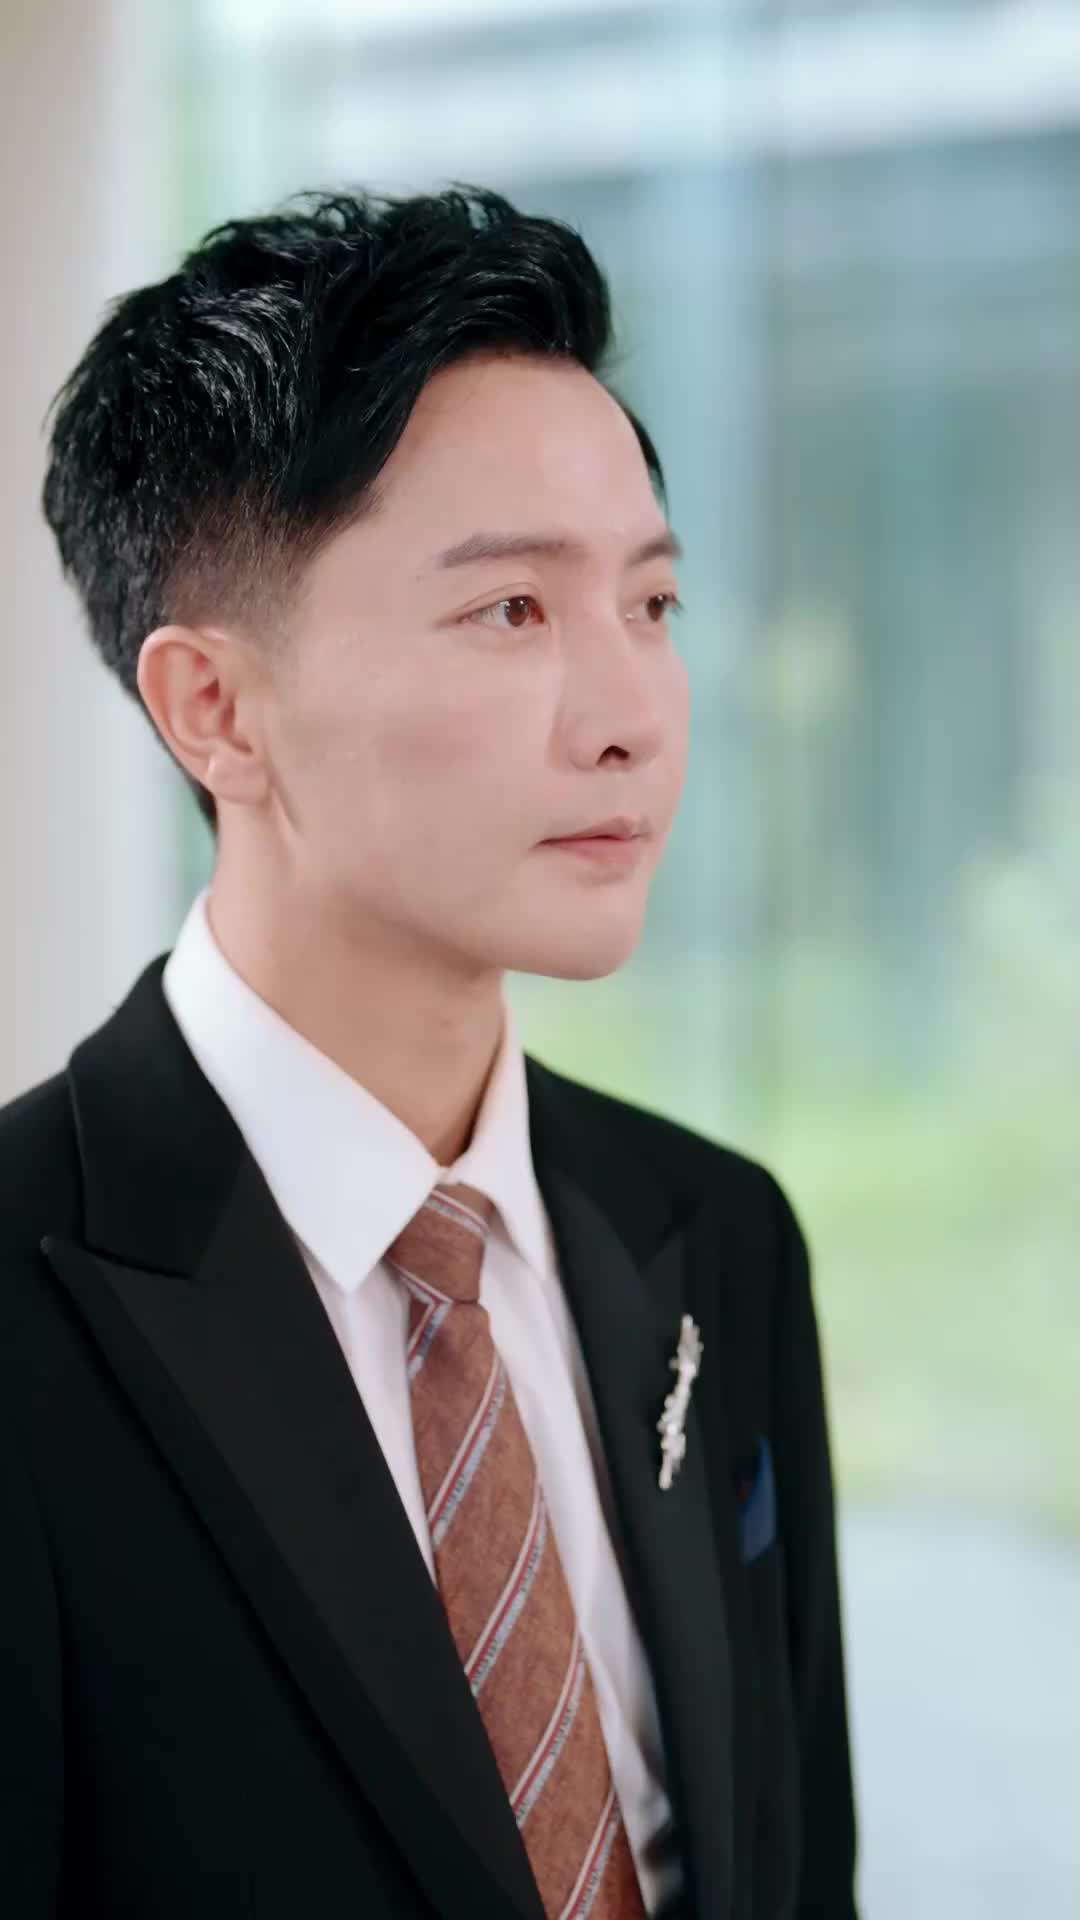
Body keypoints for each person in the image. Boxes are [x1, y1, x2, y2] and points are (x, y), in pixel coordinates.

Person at [0, 186, 858, 1919]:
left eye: (653, 604)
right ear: (215, 709)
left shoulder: (718, 1234)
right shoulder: (27, 1301)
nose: (631, 717)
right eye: (514, 611)